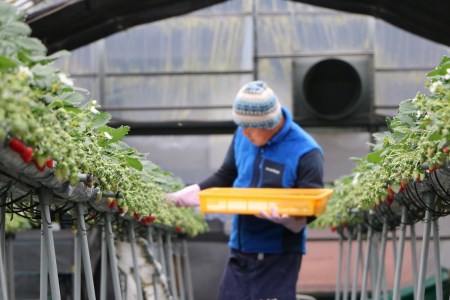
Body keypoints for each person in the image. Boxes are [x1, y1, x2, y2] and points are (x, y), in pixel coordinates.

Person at [166, 80, 324, 300]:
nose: (244, 133)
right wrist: (184, 195)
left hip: (278, 255)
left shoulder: (306, 151)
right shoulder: (242, 134)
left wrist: (289, 219)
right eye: (241, 126)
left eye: (250, 128)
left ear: (270, 123)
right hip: (240, 250)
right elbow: (226, 175)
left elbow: (311, 206)